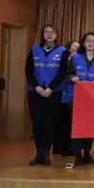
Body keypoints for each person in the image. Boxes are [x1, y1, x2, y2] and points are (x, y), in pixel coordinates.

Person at [25, 24, 70, 165]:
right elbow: (28, 70)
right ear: (42, 34)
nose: (49, 34)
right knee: (37, 122)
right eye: (46, 32)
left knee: (50, 122)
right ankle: (38, 153)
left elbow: (62, 72)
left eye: (52, 32)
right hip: (35, 91)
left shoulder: (63, 51)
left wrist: (51, 88)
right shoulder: (34, 49)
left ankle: (45, 154)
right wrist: (37, 87)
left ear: (57, 35)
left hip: (54, 92)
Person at [67, 32, 94, 166]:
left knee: (90, 126)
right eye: (88, 41)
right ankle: (78, 154)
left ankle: (87, 153)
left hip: (93, 99)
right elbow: (68, 75)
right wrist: (72, 78)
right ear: (83, 43)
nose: (91, 43)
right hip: (76, 98)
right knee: (77, 126)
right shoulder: (75, 58)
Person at [53, 39, 79, 157]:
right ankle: (59, 149)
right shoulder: (63, 59)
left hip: (72, 96)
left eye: (78, 47)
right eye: (74, 47)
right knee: (60, 123)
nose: (76, 49)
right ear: (68, 48)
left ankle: (70, 148)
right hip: (61, 94)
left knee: (70, 124)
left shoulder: (78, 61)